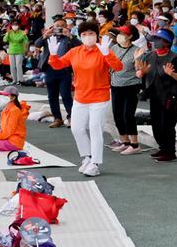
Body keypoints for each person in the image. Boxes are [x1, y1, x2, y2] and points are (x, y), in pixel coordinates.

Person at [46, 20, 124, 176]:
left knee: (96, 129)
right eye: (84, 34)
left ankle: (95, 163)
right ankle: (87, 157)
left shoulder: (103, 50)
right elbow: (58, 65)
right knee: (76, 128)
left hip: (99, 97)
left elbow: (118, 67)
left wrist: (107, 54)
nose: (88, 37)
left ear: (96, 35)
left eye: (91, 34)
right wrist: (53, 54)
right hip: (81, 96)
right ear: (80, 36)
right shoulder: (75, 52)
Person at [135, 28, 177, 162]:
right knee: (156, 124)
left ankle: (170, 151)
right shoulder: (149, 55)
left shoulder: (175, 58)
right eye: (155, 40)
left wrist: (172, 74)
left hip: (171, 96)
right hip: (154, 95)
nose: (155, 42)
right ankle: (163, 148)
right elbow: (138, 71)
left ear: (167, 42)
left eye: (159, 40)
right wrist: (141, 72)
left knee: (168, 124)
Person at [108, 26, 144, 155]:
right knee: (117, 113)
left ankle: (135, 144)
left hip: (131, 85)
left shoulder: (137, 50)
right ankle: (125, 142)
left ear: (130, 36)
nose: (120, 35)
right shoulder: (113, 48)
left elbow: (139, 69)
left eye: (123, 33)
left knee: (128, 114)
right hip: (115, 84)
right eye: (119, 33)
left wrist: (138, 59)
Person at [36, 18, 74, 128]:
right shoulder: (49, 37)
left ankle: (71, 117)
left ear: (66, 27)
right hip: (50, 69)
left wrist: (70, 36)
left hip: (65, 69)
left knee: (66, 95)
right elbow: (37, 44)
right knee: (52, 96)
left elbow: (79, 46)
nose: (59, 28)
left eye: (62, 26)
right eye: (57, 26)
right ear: (53, 26)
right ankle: (57, 118)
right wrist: (45, 35)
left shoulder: (69, 38)